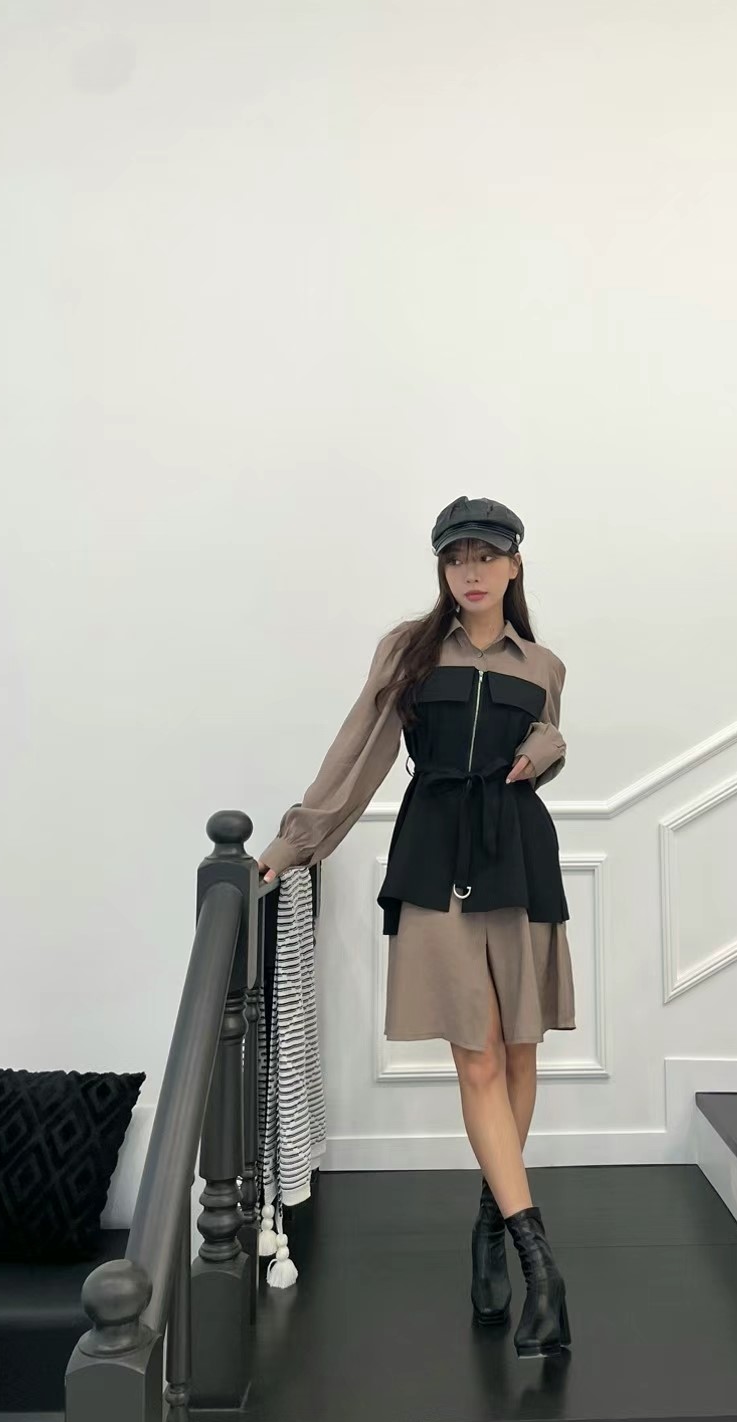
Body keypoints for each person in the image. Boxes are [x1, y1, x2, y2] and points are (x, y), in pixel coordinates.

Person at [258, 495, 574, 1358]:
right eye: (455, 557)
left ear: (514, 564)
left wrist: (546, 751)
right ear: (441, 567)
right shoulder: (408, 651)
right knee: (477, 1056)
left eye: (486, 555)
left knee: (519, 1050)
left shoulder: (543, 663)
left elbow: (548, 736)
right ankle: (541, 1268)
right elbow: (357, 752)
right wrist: (295, 842)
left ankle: (489, 1225)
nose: (470, 571)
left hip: (518, 855)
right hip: (437, 856)